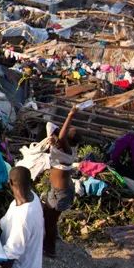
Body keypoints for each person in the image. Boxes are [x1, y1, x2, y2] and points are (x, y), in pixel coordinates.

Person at [44, 106, 80, 258]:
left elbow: (62, 135)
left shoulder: (65, 149)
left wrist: (70, 115)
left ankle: (50, 250)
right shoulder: (67, 149)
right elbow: (51, 127)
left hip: (61, 192)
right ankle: (53, 238)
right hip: (60, 189)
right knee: (51, 216)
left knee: (49, 220)